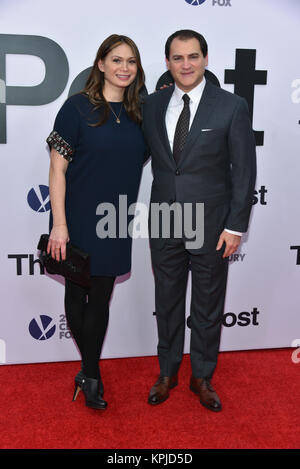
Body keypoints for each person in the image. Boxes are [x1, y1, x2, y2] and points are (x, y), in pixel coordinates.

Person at [142, 30, 256, 411]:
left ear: (206, 59)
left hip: (212, 223)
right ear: (168, 63)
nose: (186, 65)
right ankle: (167, 372)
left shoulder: (231, 105)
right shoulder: (153, 105)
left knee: (208, 303)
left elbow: (243, 170)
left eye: (193, 56)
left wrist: (236, 225)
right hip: (165, 218)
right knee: (168, 299)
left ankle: (202, 376)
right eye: (177, 58)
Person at [46, 34, 146, 410]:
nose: (124, 68)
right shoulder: (76, 109)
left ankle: (87, 372)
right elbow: (57, 168)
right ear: (100, 64)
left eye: (131, 61)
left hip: (116, 217)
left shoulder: (139, 113)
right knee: (77, 292)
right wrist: (60, 224)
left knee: (101, 296)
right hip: (76, 216)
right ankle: (92, 374)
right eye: (116, 60)